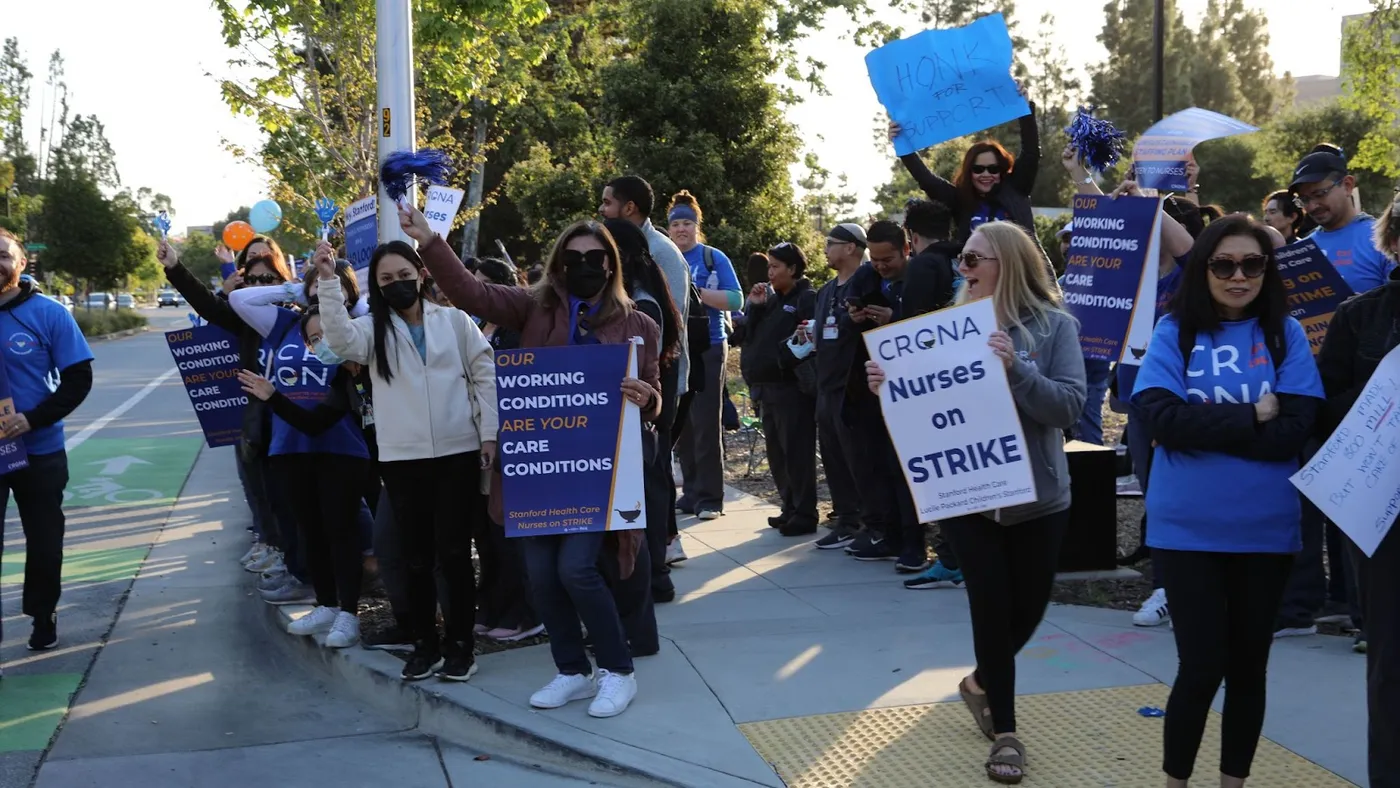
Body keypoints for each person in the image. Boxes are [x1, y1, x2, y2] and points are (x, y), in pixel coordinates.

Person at [415, 204, 662, 719]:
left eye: (596, 257)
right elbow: (470, 293)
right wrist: (431, 242)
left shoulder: (637, 322)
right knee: (542, 577)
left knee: (578, 569)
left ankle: (618, 671)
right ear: (558, 264)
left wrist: (646, 397)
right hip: (539, 468)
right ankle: (572, 670)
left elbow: (657, 392)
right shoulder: (531, 308)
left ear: (612, 264)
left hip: (603, 472)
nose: (586, 265)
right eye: (574, 257)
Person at [867, 220, 1084, 783]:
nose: (963, 269)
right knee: (990, 610)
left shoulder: (1055, 328)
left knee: (1026, 612)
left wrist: (1017, 369)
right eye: (962, 260)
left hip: (1039, 499)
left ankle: (981, 683)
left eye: (973, 259)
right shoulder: (941, 331)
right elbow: (925, 417)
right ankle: (1006, 732)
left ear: (1007, 263)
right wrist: (891, 385)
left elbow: (1068, 409)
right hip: (971, 499)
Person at [1132, 215, 1324, 788]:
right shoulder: (1174, 333)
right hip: (1186, 530)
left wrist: (1201, 426)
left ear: (1267, 270)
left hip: (1265, 529)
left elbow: (1295, 430)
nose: (1238, 275)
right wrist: (1250, 414)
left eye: (1252, 264)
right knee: (1200, 666)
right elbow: (1157, 416)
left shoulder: (1284, 334)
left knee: (1248, 669)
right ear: (1205, 268)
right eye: (1224, 264)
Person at [318, 237, 498, 683]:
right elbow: (338, 339)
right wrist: (327, 282)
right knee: (416, 556)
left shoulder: (455, 322)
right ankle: (425, 645)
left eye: (404, 275)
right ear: (376, 287)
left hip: (458, 454)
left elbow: (484, 374)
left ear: (421, 274)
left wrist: (489, 434)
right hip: (402, 461)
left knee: (454, 555)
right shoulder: (370, 332)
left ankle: (461, 647)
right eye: (386, 279)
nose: (397, 284)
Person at [228, 256, 374, 650]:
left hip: (339, 449)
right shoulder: (285, 326)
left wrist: (334, 285)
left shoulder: (355, 336)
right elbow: (241, 301)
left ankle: (348, 614)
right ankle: (325, 604)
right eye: (313, 338)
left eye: (325, 336)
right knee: (309, 531)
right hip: (289, 449)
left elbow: (322, 418)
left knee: (340, 532)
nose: (318, 343)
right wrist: (295, 288)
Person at [160, 234, 310, 601]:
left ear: (284, 280)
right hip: (261, 425)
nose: (260, 286)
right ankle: (290, 565)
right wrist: (175, 268)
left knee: (301, 502)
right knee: (271, 497)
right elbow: (208, 305)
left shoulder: (302, 319)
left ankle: (310, 574)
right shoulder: (245, 320)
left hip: (301, 422)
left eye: (268, 278)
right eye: (253, 280)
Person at [1314, 191, 1399, 788]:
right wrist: (1384, 398)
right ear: (1392, 241)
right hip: (1381, 512)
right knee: (1392, 660)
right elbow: (1323, 409)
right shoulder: (1362, 317)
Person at [0, 229, 93, 653]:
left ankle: (42, 613)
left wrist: (32, 419)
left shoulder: (49, 313)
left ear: (21, 264)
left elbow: (78, 379)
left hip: (38, 450)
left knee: (43, 540)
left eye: (4, 255)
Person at [600, 176, 691, 559]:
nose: (601, 209)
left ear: (630, 207)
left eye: (607, 202)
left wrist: (656, 388)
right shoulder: (633, 246)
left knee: (654, 464)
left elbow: (668, 326)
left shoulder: (662, 252)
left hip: (660, 377)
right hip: (641, 379)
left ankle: (666, 543)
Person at [606, 216, 684, 617]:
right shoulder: (645, 294)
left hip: (643, 419)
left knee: (648, 502)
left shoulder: (640, 304)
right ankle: (654, 576)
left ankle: (654, 578)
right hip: (647, 417)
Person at [466, 257, 541, 642]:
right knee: (487, 533)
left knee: (508, 533)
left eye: (482, 284)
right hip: (477, 438)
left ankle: (523, 612)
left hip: (512, 438)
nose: (475, 292)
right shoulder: (476, 327)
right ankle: (492, 604)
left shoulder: (516, 330)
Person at [667, 191, 742, 521]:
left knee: (707, 424)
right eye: (675, 224)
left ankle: (711, 497)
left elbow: (737, 300)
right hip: (674, 349)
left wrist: (698, 295)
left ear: (697, 226)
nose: (681, 229)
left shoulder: (713, 258)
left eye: (687, 223)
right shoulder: (663, 258)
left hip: (709, 345)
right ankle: (692, 492)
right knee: (681, 424)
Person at [740, 242, 819, 537]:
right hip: (766, 388)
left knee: (797, 451)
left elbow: (808, 343)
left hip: (792, 388)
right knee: (777, 452)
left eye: (775, 266)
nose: (769, 272)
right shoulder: (773, 300)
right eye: (769, 266)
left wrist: (784, 361)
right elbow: (750, 335)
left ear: (793, 269)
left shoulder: (806, 298)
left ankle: (805, 512)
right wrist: (757, 308)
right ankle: (790, 507)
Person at [889, 95, 1041, 246]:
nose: (986, 174)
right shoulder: (961, 200)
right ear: (969, 172)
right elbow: (926, 179)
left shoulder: (1016, 188)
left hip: (1021, 269)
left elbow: (1031, 153)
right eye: (978, 169)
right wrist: (902, 144)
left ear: (1002, 171)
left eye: (993, 169)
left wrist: (1026, 109)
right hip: (976, 269)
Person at [810, 223, 868, 550]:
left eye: (831, 243)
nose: (826, 249)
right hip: (826, 385)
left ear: (851, 247)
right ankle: (846, 519)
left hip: (854, 387)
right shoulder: (826, 291)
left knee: (857, 457)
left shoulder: (867, 284)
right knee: (832, 457)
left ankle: (866, 521)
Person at [1290, 147, 1394, 294]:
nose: (1312, 206)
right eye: (1304, 200)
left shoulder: (1384, 239)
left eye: (1320, 194)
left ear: (1347, 185)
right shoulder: (1300, 250)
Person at [901, 198, 960, 317]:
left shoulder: (921, 264)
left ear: (914, 237)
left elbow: (914, 318)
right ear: (948, 234)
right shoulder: (967, 255)